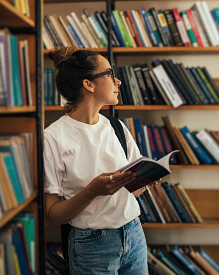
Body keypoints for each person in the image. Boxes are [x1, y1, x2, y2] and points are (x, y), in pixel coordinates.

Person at [43, 47, 148, 274]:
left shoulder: (117, 128)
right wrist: (92, 190)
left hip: (134, 233)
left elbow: (132, 191)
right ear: (88, 84)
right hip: (91, 245)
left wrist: (145, 179)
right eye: (110, 74)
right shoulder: (53, 137)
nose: (118, 81)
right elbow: (51, 216)